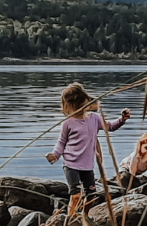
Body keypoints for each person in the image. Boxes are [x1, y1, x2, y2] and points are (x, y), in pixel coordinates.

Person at [46, 83, 129, 214]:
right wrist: (55, 155)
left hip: (87, 166)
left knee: (91, 196)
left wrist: (122, 119)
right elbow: (61, 142)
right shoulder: (67, 123)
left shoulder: (94, 118)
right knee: (76, 196)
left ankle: (84, 217)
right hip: (71, 164)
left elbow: (110, 127)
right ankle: (70, 219)